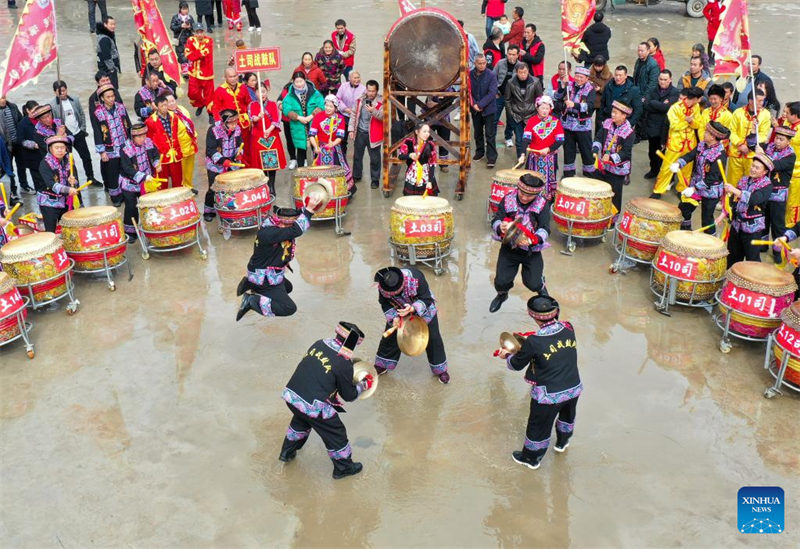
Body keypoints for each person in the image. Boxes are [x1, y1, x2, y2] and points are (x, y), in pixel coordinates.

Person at [495, 295, 582, 470]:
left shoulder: (534, 341)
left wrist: (507, 355)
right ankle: (562, 443)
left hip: (548, 394)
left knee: (539, 425)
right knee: (567, 416)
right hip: (573, 387)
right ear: (555, 312)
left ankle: (531, 458)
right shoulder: (568, 327)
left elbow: (516, 365)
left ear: (533, 315)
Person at [278, 321, 370, 479]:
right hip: (313, 405)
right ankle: (344, 467)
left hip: (292, 395)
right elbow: (349, 395)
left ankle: (287, 452)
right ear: (353, 342)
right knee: (336, 432)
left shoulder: (319, 343)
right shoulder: (344, 362)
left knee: (302, 420)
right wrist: (363, 385)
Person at [236, 201, 320, 320]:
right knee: (288, 308)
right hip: (264, 277)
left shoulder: (276, 226)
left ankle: (251, 284)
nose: (290, 227)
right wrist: (308, 211)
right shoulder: (268, 233)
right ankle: (251, 301)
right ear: (281, 223)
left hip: (269, 271)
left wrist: (310, 208)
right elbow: (295, 230)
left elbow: (295, 226)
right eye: (289, 225)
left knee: (288, 287)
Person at [373, 266, 450, 384]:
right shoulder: (383, 286)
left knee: (433, 338)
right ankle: (383, 365)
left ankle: (440, 370)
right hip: (399, 310)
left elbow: (427, 298)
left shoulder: (416, 277)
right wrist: (393, 317)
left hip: (423, 309)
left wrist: (412, 308)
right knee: (390, 336)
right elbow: (384, 303)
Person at [489, 173, 550, 313]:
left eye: (529, 195)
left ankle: (541, 287)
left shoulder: (542, 204)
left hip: (531, 251)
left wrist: (533, 240)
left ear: (536, 194)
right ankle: (502, 295)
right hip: (509, 248)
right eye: (522, 193)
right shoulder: (508, 199)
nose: (524, 197)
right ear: (518, 188)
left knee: (532, 283)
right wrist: (500, 227)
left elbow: (545, 228)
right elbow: (496, 219)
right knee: (501, 281)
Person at [672, 121, 729, 232]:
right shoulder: (702, 144)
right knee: (684, 208)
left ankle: (710, 242)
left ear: (713, 137)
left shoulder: (720, 155)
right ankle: (685, 228)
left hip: (710, 189)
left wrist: (693, 188)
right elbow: (691, 155)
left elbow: (712, 178)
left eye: (707, 132)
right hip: (697, 183)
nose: (704, 133)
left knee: (707, 218)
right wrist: (679, 163)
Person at [719, 153, 773, 267]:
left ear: (764, 172)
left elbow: (754, 199)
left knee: (752, 260)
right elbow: (734, 201)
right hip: (736, 225)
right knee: (732, 257)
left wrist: (734, 190)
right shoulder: (744, 179)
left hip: (752, 229)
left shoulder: (767, 185)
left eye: (757, 168)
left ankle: (752, 284)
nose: (752, 169)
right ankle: (730, 282)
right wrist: (723, 214)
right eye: (752, 166)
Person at [651, 87, 704, 198]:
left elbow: (698, 124)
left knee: (686, 169)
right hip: (675, 143)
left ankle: (682, 189)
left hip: (690, 143)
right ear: (696, 98)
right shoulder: (675, 108)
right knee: (667, 167)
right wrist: (688, 121)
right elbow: (674, 126)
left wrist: (691, 121)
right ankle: (658, 190)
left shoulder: (697, 107)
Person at [48, 81, 95, 186]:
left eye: (64, 90)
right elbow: (54, 122)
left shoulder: (74, 100)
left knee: (86, 157)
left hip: (78, 133)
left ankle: (91, 178)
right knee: (69, 161)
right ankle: (71, 181)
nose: (63, 93)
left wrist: (82, 129)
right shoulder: (52, 105)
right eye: (60, 92)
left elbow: (82, 114)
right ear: (55, 92)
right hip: (65, 138)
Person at [592, 101, 635, 215]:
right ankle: (598, 214)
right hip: (603, 166)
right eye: (612, 111)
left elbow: (626, 153)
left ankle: (612, 219)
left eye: (616, 113)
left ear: (624, 115)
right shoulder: (607, 124)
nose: (612, 115)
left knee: (614, 194)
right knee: (599, 190)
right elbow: (598, 137)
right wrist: (596, 149)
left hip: (617, 169)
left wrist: (611, 158)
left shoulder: (628, 132)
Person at [119, 123, 160, 239]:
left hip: (146, 180)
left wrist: (156, 163)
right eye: (140, 137)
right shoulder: (125, 148)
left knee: (149, 204)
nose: (143, 139)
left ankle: (151, 226)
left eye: (144, 136)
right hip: (130, 183)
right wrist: (142, 176)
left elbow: (155, 154)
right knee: (131, 207)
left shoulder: (148, 142)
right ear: (133, 137)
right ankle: (131, 232)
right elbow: (126, 168)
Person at [554, 66, 595, 178]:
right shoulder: (569, 85)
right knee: (568, 150)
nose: (578, 79)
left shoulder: (590, 89)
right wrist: (562, 86)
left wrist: (575, 105)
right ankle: (568, 174)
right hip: (567, 124)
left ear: (587, 78)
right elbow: (557, 97)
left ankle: (589, 174)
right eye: (577, 76)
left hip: (582, 126)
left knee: (586, 150)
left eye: (581, 77)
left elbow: (590, 107)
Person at [309, 95, 355, 194]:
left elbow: (340, 136)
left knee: (338, 171)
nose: (328, 108)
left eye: (331, 106)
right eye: (326, 105)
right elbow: (312, 134)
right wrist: (316, 147)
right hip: (320, 150)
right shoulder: (318, 117)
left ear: (336, 108)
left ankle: (339, 192)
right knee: (320, 173)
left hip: (335, 150)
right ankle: (322, 193)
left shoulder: (340, 119)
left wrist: (332, 144)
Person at [727, 89, 771, 189]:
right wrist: (739, 144)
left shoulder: (765, 115)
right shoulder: (738, 112)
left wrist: (749, 146)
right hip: (736, 153)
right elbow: (731, 131)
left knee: (750, 183)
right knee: (732, 181)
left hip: (752, 156)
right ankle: (729, 203)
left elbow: (763, 135)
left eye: (763, 100)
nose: (762, 103)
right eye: (759, 101)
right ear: (751, 101)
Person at [247, 81, 286, 195]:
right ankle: (264, 185)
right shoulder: (252, 105)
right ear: (255, 93)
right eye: (259, 92)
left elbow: (276, 120)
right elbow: (252, 119)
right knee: (261, 163)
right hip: (258, 136)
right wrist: (258, 117)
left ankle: (272, 185)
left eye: (263, 91)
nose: (262, 94)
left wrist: (269, 130)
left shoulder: (273, 104)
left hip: (271, 135)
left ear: (267, 91)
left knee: (271, 162)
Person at [520, 96, 563, 198]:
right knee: (532, 179)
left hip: (549, 158)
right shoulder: (531, 121)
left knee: (548, 180)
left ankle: (547, 198)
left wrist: (548, 149)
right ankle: (532, 197)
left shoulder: (555, 122)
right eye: (542, 108)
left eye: (547, 108)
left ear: (550, 109)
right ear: (537, 108)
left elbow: (560, 140)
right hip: (534, 157)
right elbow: (526, 139)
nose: (544, 111)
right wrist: (522, 154)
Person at [204, 109, 243, 221]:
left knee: (231, 188)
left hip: (231, 162)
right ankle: (209, 210)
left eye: (236, 122)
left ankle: (228, 209)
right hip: (216, 164)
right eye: (232, 123)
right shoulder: (213, 130)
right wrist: (222, 160)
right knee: (214, 187)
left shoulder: (237, 129)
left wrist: (238, 153)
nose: (235, 125)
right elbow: (210, 150)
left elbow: (239, 144)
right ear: (225, 122)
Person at [763, 127, 797, 255]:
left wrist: (762, 155)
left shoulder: (790, 155)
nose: (777, 141)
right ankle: (763, 245)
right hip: (765, 190)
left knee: (777, 224)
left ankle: (778, 252)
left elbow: (775, 165)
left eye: (781, 139)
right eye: (777, 138)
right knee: (763, 220)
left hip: (778, 194)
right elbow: (754, 144)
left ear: (788, 141)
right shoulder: (770, 147)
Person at [282, 72, 325, 169]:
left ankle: (318, 173)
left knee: (317, 149)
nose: (299, 84)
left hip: (313, 124)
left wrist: (311, 116)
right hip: (298, 126)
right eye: (297, 82)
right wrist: (298, 117)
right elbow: (286, 109)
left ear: (305, 80)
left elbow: (321, 105)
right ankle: (301, 177)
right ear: (293, 82)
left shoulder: (314, 92)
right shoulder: (290, 96)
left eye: (301, 81)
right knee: (301, 150)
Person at [642, 69, 680, 179]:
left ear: (670, 80)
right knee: (652, 152)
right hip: (652, 127)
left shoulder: (675, 92)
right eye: (661, 79)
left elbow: (668, 108)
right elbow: (646, 104)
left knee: (665, 154)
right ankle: (654, 170)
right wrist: (659, 105)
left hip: (666, 128)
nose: (662, 82)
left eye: (665, 79)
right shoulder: (653, 90)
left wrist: (654, 103)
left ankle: (666, 176)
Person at [37, 136, 78, 232]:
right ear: (50, 149)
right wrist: (68, 190)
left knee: (68, 227)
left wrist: (73, 181)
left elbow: (75, 178)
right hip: (49, 202)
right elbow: (51, 184)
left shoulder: (69, 160)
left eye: (62, 147)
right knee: (50, 229)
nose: (60, 150)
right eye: (56, 148)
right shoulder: (45, 163)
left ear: (66, 149)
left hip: (65, 200)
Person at [349, 80, 384, 190]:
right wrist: (351, 129)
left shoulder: (382, 101)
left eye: (373, 91)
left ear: (377, 91)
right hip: (360, 132)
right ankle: (357, 176)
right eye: (369, 90)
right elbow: (354, 114)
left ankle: (375, 180)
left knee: (375, 158)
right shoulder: (360, 100)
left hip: (373, 134)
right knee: (357, 156)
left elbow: (383, 117)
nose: (371, 93)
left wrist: (374, 111)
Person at [145, 95, 184, 190]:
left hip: (175, 154)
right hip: (161, 156)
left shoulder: (174, 116)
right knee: (162, 183)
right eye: (162, 106)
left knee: (178, 181)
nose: (165, 108)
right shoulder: (150, 121)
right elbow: (149, 141)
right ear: (157, 107)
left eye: (166, 105)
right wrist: (153, 157)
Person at [505, 62, 543, 158]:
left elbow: (540, 99)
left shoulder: (535, 82)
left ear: (528, 71)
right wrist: (511, 114)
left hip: (532, 115)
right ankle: (520, 158)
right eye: (520, 72)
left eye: (525, 72)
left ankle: (534, 158)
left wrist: (538, 114)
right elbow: (507, 100)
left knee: (534, 138)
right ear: (516, 72)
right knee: (519, 140)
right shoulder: (510, 83)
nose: (523, 75)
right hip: (517, 115)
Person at [470, 54, 499, 168]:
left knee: (490, 134)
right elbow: (468, 91)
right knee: (477, 133)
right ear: (475, 63)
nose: (482, 65)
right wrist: (474, 105)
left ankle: (491, 157)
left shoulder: (491, 75)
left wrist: (480, 104)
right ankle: (480, 152)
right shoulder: (469, 75)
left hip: (489, 109)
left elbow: (492, 93)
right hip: (475, 109)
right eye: (479, 63)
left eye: (484, 63)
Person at [164, 94, 198, 193]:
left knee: (189, 168)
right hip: (180, 147)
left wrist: (194, 136)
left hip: (190, 143)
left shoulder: (182, 109)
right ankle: (183, 189)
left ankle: (189, 186)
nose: (172, 103)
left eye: (173, 100)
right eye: (169, 102)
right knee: (180, 171)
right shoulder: (168, 116)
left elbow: (190, 123)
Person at [0, 97, 32, 198]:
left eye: (4, 97)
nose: (3, 100)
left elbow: (20, 122)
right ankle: (12, 190)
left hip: (17, 142)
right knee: (8, 168)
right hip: (4, 146)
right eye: (0, 98)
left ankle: (24, 185)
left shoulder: (12, 107)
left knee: (22, 166)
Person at [397, 123, 439, 196]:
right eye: (424, 131)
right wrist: (409, 155)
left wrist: (430, 181)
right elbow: (400, 156)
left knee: (427, 202)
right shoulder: (408, 142)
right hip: (412, 176)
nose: (427, 134)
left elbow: (432, 164)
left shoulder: (430, 145)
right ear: (417, 132)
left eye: (428, 132)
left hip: (425, 175)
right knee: (411, 201)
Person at [600, 65, 642, 132]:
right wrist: (602, 119)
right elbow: (603, 103)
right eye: (616, 75)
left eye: (620, 75)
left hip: (624, 125)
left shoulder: (633, 90)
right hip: (609, 122)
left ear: (625, 76)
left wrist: (630, 124)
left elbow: (638, 110)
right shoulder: (608, 86)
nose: (618, 77)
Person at [185, 24, 215, 116]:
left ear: (204, 32)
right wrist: (196, 54)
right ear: (194, 33)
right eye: (197, 32)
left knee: (209, 95)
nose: (199, 34)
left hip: (206, 73)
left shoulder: (209, 41)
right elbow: (188, 54)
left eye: (201, 32)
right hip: (194, 72)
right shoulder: (190, 40)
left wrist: (194, 53)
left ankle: (211, 114)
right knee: (192, 93)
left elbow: (204, 53)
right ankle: (201, 104)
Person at [494, 45, 519, 148]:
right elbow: (492, 77)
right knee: (494, 118)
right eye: (509, 54)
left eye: (513, 54)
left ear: (517, 55)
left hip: (512, 98)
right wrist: (495, 91)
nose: (511, 57)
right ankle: (491, 139)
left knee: (511, 119)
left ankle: (508, 137)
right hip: (499, 95)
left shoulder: (521, 66)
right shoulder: (500, 63)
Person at [335, 71, 365, 158]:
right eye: (354, 78)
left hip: (357, 117)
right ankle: (342, 157)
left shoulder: (363, 89)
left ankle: (358, 158)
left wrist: (356, 111)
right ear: (349, 78)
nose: (357, 79)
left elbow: (364, 102)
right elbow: (337, 99)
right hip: (344, 115)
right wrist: (345, 109)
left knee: (357, 140)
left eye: (358, 77)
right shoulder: (343, 86)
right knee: (342, 139)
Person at [780, 102, 800, 226]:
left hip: (797, 172)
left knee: (793, 202)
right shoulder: (787, 124)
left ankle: (790, 228)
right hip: (783, 169)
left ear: (796, 115)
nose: (785, 115)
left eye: (788, 113)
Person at [633, 42, 659, 120]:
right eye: (639, 50)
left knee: (643, 118)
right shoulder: (638, 61)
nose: (640, 53)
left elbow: (653, 84)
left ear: (648, 51)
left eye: (642, 51)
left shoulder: (653, 64)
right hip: (637, 93)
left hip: (645, 96)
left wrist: (645, 97)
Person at [588, 56, 612, 131]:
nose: (598, 68)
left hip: (601, 102)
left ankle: (597, 140)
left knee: (599, 123)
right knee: (586, 120)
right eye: (596, 66)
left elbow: (609, 88)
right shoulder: (588, 73)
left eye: (600, 66)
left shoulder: (609, 75)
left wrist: (600, 89)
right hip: (591, 100)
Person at [96, 16, 120, 89]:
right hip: (108, 71)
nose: (113, 26)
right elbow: (107, 57)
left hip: (107, 69)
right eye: (111, 24)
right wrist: (112, 69)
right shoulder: (104, 39)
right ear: (105, 25)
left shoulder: (107, 36)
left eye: (114, 24)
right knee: (110, 89)